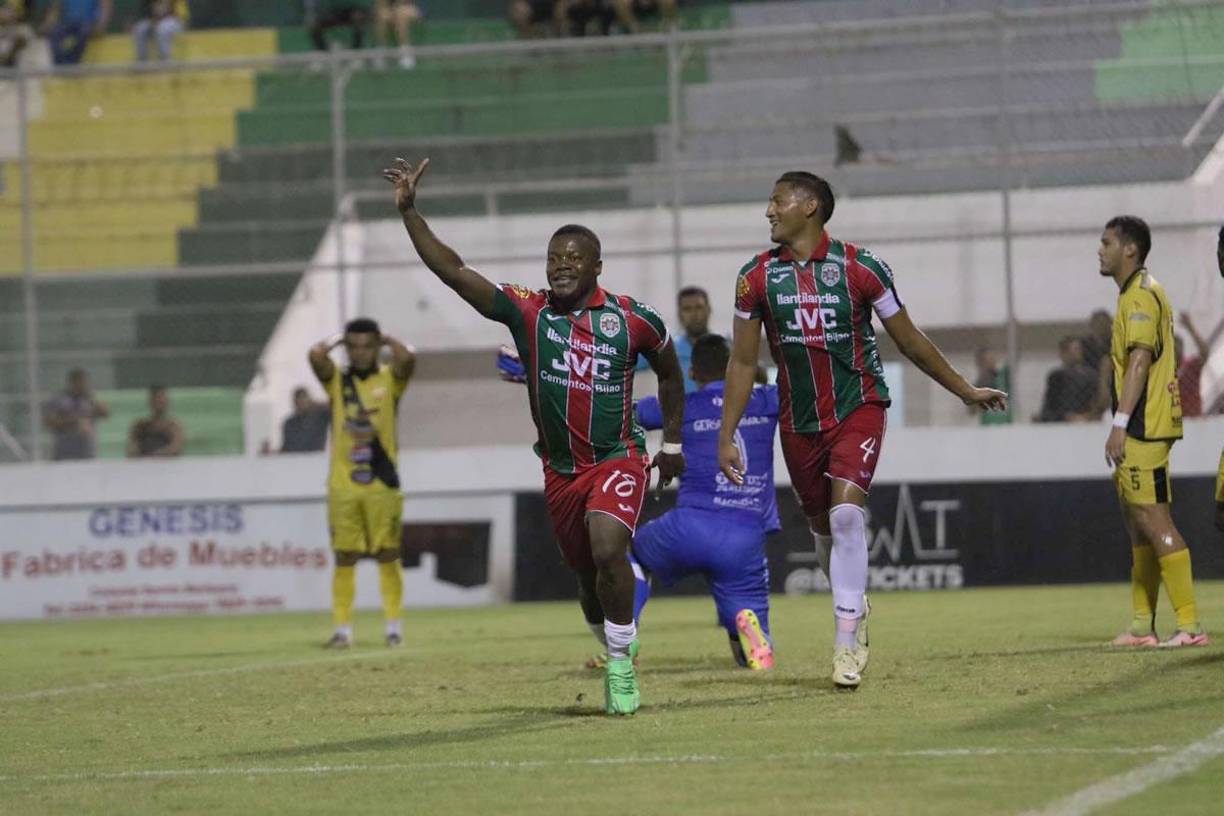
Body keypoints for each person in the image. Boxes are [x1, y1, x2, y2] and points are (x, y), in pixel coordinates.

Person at [383, 156, 686, 716]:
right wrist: (411, 214)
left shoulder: (633, 319)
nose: (560, 268)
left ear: (597, 265)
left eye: (572, 259)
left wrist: (671, 444)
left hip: (617, 457)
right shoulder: (528, 312)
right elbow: (454, 271)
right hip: (559, 469)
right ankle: (614, 640)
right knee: (584, 579)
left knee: (608, 548)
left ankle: (621, 668)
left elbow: (669, 372)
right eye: (553, 259)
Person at [718, 171, 1007, 689]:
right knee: (824, 529)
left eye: (776, 201)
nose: (768, 211)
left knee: (847, 513)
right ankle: (854, 605)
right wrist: (726, 433)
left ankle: (846, 643)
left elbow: (910, 339)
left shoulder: (862, 268)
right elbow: (742, 362)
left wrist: (965, 389)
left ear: (809, 207)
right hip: (798, 420)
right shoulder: (754, 277)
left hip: (859, 406)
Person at [631, 333, 780, 670]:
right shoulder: (768, 401)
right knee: (747, 627)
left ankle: (624, 636)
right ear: (734, 368)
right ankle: (747, 627)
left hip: (689, 527)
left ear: (694, 373)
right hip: (744, 538)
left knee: (629, 553)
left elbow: (620, 412)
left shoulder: (682, 405)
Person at [1098, 215, 1207, 649]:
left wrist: (1120, 424)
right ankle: (1143, 626)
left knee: (1152, 517)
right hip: (1142, 423)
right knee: (1136, 522)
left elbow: (1140, 361)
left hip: (1145, 425)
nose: (1099, 249)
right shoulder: (1132, 295)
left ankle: (1191, 624)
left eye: (1106, 242)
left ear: (1130, 249)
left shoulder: (1142, 296)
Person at [310, 319, 415, 649]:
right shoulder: (337, 382)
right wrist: (338, 337)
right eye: (352, 346)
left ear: (377, 347)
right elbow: (315, 355)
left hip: (383, 485)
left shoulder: (390, 379)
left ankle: (394, 629)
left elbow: (409, 357)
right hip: (343, 486)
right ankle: (342, 632)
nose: (359, 352)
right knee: (345, 556)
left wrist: (385, 336)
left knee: (388, 553)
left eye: (366, 345)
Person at [635, 285, 710, 393]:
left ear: (708, 310)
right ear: (679, 314)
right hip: (680, 409)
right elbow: (626, 363)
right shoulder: (667, 347)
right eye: (687, 309)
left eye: (699, 307)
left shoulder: (724, 347)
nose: (695, 314)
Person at [43, 369, 109, 461]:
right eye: (79, 383)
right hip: (64, 451)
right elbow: (49, 421)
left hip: (87, 451)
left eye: (84, 383)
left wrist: (93, 401)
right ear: (72, 383)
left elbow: (105, 414)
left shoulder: (89, 399)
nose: (82, 386)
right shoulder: (59, 399)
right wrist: (73, 420)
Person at [1034, 336, 1098, 423]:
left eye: (1078, 349)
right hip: (1062, 418)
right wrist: (1065, 416)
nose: (1077, 352)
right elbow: (1049, 406)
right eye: (1074, 349)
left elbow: (1096, 402)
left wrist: (1086, 416)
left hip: (1086, 418)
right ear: (1063, 353)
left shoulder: (1091, 376)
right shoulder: (1056, 376)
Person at [41, 0, 112, 65]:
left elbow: (105, 6)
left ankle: (72, 63)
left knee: (84, 32)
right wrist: (48, 23)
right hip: (68, 22)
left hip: (87, 22)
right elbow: (56, 6)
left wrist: (101, 26)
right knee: (55, 32)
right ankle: (60, 62)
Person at [127, 385, 185, 458]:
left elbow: (176, 448)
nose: (159, 402)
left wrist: (157, 455)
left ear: (167, 402)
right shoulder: (140, 426)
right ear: (150, 402)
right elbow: (131, 449)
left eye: (162, 399)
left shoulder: (173, 427)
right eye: (156, 399)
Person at [1175, 312, 1214, 418]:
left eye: (1177, 346)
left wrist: (1190, 327)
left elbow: (1205, 352)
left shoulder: (1190, 365)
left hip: (1194, 420)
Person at [280, 386, 330, 453]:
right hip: (294, 460)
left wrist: (316, 404)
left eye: (303, 399)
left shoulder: (321, 418)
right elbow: (286, 448)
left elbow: (335, 405)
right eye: (298, 400)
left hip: (316, 459)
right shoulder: (289, 423)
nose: (301, 403)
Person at [373, 0, 418, 68]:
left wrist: (396, 7)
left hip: (408, 7)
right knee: (382, 15)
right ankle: (381, 51)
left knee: (400, 14)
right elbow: (380, 4)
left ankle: (405, 52)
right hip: (388, 9)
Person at [972, 347, 1011, 425]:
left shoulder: (1003, 377)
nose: (991, 362)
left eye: (992, 359)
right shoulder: (977, 386)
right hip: (987, 426)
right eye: (986, 361)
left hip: (1005, 424)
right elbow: (972, 412)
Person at [608, 0, 676, 34]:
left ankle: (667, 25)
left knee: (668, 1)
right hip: (635, 5)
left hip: (654, 4)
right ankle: (635, 29)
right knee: (619, 2)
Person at [0, 1, 33, 68]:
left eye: (10, 10)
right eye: (4, 10)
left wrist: (11, 52)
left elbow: (23, 43)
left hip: (20, 70)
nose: (5, 13)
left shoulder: (24, 29)